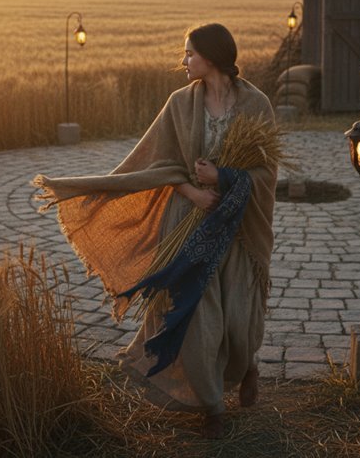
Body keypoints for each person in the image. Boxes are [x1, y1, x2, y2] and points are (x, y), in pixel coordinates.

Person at [33, 23, 276, 439]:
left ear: (212, 57)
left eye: (188, 54)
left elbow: (266, 171)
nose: (183, 61)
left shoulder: (256, 105)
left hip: (235, 227)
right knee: (197, 316)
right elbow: (157, 165)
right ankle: (212, 407)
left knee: (238, 319)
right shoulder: (179, 103)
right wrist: (193, 191)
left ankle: (246, 365)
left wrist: (224, 175)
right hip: (187, 221)